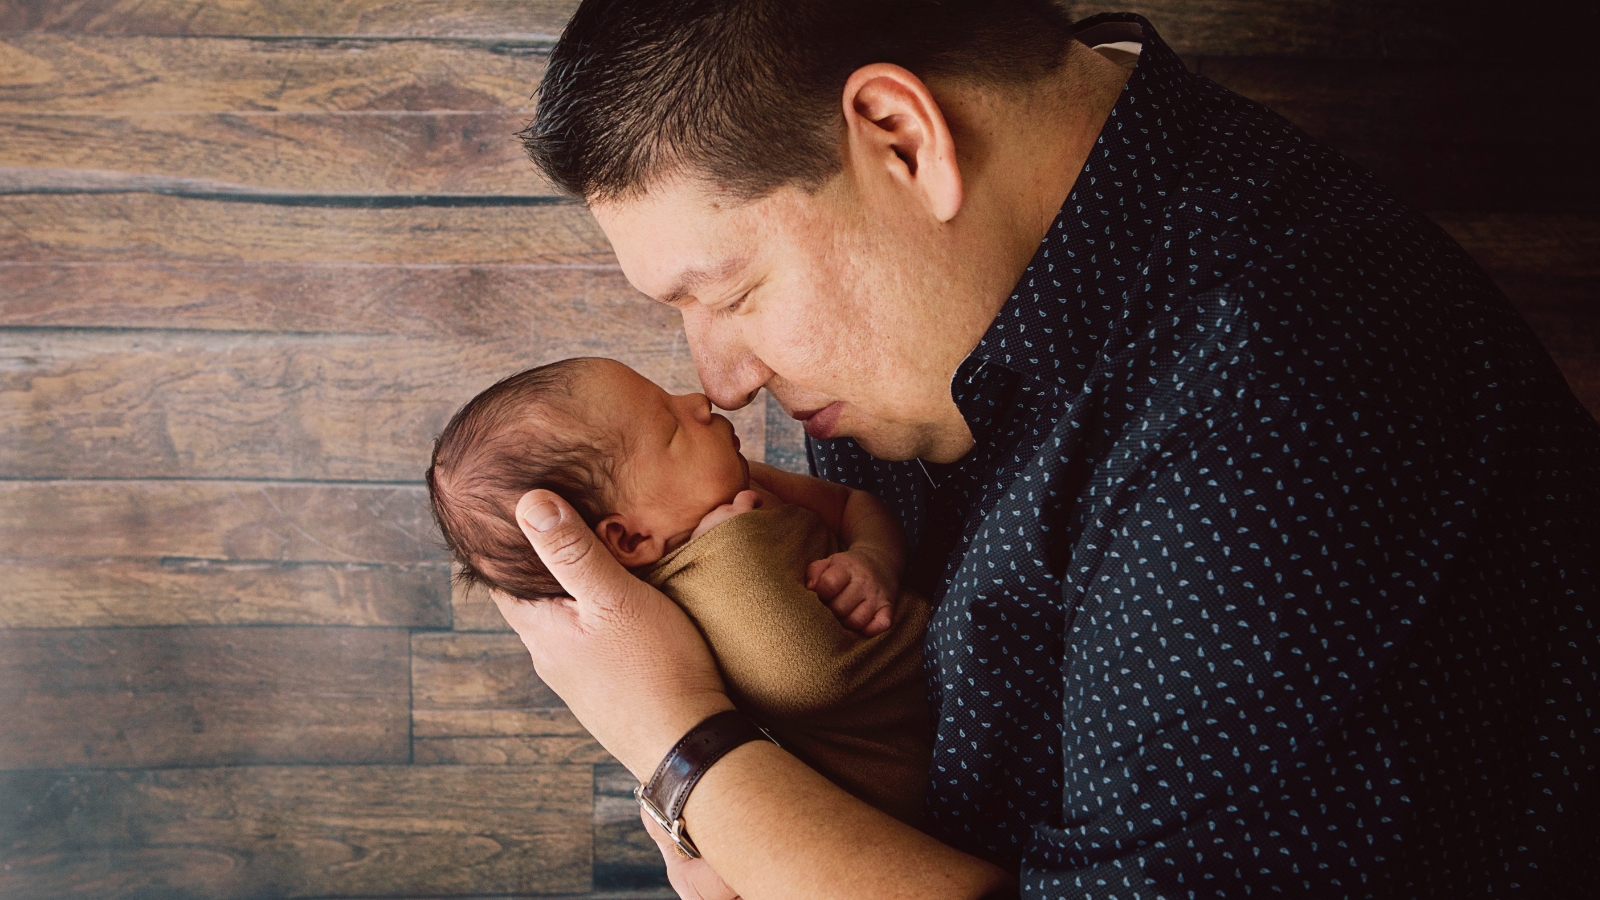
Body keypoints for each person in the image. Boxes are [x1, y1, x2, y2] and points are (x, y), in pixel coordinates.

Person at [497, 2, 1600, 897]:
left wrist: (679, 746)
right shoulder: (918, 331)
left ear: (900, 138)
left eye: (732, 292)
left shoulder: (1284, 407)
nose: (725, 383)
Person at [425, 357, 935, 824]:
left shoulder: (746, 485)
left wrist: (873, 560)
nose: (699, 401)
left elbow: (851, 505)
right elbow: (804, 680)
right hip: (890, 816)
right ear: (631, 538)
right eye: (671, 428)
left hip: (950, 669)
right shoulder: (656, 631)